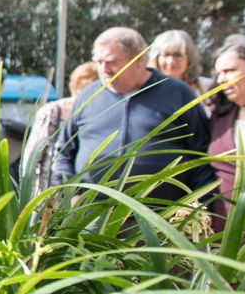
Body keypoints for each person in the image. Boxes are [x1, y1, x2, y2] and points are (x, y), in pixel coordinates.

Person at [51, 27, 212, 197]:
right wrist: (70, 194)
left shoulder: (178, 94)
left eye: (112, 61)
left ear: (139, 59)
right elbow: (64, 153)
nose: (104, 69)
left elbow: (202, 157)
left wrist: (197, 207)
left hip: (159, 217)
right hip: (90, 217)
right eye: (99, 62)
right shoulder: (88, 96)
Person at [22, 61, 100, 191]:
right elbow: (32, 154)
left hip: (84, 188)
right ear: (77, 87)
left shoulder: (101, 112)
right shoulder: (53, 111)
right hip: (50, 189)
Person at [206, 40, 245, 228]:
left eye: (230, 70)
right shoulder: (218, 117)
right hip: (227, 229)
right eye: (218, 73)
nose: (221, 79)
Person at [148, 28, 213, 93]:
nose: (171, 62)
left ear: (190, 58)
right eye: (166, 55)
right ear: (156, 58)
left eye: (177, 55)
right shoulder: (147, 90)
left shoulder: (208, 87)